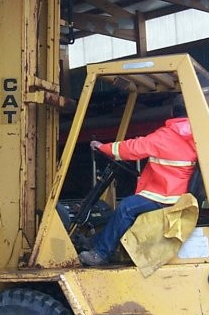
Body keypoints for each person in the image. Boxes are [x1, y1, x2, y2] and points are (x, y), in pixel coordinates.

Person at [78, 94, 198, 267]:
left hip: (165, 196)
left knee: (125, 208)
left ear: (172, 112)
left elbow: (134, 148)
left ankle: (100, 253)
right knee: (128, 207)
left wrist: (103, 147)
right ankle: (95, 242)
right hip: (178, 194)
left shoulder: (167, 136)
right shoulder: (196, 136)